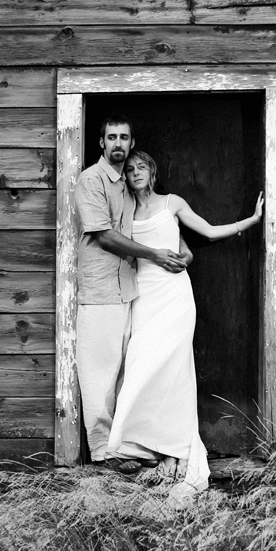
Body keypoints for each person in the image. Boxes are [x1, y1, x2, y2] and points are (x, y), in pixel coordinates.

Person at [106, 150, 264, 497]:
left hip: (174, 295)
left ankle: (174, 447)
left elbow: (205, 231)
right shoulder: (124, 208)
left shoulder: (171, 202)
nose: (135, 173)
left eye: (141, 167)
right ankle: (137, 444)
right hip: (142, 294)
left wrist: (250, 221)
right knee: (140, 363)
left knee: (175, 370)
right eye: (130, 169)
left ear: (152, 171)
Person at [74, 115, 192, 474]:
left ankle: (126, 443)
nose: (118, 144)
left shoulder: (126, 183)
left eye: (124, 138)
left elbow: (150, 222)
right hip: (100, 288)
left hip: (130, 289)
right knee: (97, 371)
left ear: (131, 141)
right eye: (111, 137)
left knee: (127, 368)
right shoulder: (91, 180)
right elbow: (104, 235)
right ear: (101, 143)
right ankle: (102, 452)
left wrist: (179, 246)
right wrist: (156, 255)